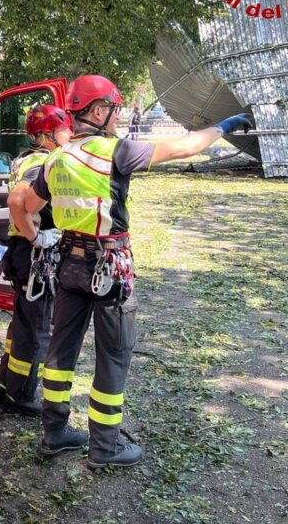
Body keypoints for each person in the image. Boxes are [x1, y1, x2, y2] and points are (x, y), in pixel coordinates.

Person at [20, 75, 251, 467]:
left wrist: (41, 236)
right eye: (114, 110)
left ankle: (54, 433)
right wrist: (226, 125)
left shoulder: (55, 158)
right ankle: (105, 447)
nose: (118, 117)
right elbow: (186, 147)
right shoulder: (116, 151)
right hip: (109, 268)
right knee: (114, 354)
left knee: (60, 351)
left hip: (68, 266)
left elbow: (27, 205)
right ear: (97, 111)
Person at [0, 104, 72, 415]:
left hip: (22, 253)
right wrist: (37, 237)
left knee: (22, 324)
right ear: (48, 135)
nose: (69, 134)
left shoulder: (26, 159)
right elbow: (16, 201)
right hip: (35, 255)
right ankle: (21, 396)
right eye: (64, 129)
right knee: (36, 329)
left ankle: (5, 386)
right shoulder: (42, 163)